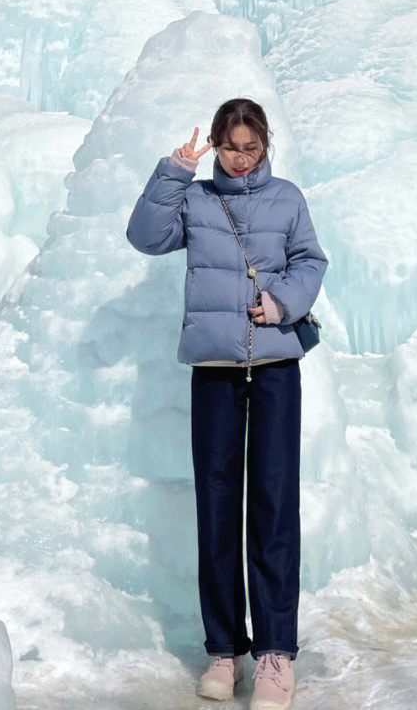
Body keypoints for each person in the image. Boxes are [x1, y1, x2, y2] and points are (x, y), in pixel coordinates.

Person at [127, 97, 328, 709]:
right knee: (217, 505)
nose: (242, 159)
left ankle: (274, 652)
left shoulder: (288, 198)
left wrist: (280, 305)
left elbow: (310, 261)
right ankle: (224, 651)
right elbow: (144, 236)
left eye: (252, 147)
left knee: (272, 502)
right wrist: (172, 171)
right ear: (215, 143)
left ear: (265, 143)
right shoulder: (195, 199)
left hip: (273, 368)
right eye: (231, 146)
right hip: (214, 368)